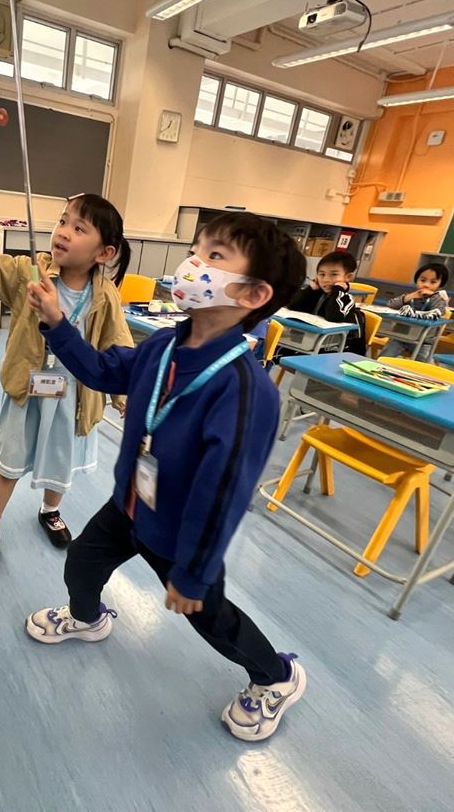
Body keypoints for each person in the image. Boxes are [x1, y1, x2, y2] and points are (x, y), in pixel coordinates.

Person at [22, 212, 309, 741]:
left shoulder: (245, 390)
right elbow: (103, 371)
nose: (193, 263)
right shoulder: (162, 346)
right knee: (82, 563)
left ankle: (277, 676)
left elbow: (223, 494)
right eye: (196, 249)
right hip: (129, 504)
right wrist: (59, 325)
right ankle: (87, 617)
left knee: (211, 618)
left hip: (181, 535)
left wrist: (194, 573)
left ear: (253, 294)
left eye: (215, 256)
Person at [0, 185, 133, 576]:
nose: (63, 232)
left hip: (74, 400)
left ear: (104, 253)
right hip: (28, 392)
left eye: (79, 228)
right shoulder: (30, 274)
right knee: (9, 466)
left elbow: (119, 348)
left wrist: (124, 398)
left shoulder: (105, 296)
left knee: (62, 463)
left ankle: (50, 511)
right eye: (63, 221)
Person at [285, 251, 367, 355]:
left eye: (334, 274)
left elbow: (334, 317)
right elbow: (292, 305)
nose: (326, 279)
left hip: (334, 351)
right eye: (322, 274)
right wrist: (310, 289)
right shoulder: (316, 294)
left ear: (348, 277)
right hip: (311, 343)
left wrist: (338, 290)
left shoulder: (346, 298)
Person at [378, 262, 450, 360]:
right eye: (422, 280)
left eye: (433, 282)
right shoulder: (411, 296)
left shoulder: (438, 299)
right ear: (416, 280)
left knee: (422, 362)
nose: (426, 285)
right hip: (401, 336)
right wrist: (409, 297)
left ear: (440, 285)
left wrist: (432, 297)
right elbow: (390, 304)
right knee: (384, 357)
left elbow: (439, 312)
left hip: (424, 341)